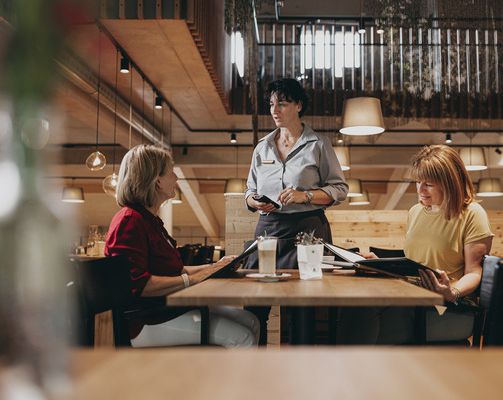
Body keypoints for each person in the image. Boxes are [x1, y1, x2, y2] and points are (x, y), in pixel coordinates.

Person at [105, 144, 259, 347]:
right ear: (158, 181)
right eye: (172, 172)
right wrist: (194, 279)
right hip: (146, 320)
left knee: (252, 322)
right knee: (243, 336)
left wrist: (216, 266)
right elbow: (140, 286)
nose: (176, 178)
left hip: (170, 310)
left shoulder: (151, 220)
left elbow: (177, 270)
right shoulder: (129, 221)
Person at [338, 144, 494, 344]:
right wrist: (382, 265)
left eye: (428, 183)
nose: (420, 189)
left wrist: (450, 292)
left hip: (448, 306)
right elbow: (414, 263)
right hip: (412, 298)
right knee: (356, 304)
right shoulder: (416, 212)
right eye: (418, 182)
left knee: (366, 322)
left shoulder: (472, 213)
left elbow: (474, 272)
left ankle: (354, 369)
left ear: (449, 182)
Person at [244, 78, 349, 345]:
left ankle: (301, 373)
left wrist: (306, 195)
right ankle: (252, 371)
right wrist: (255, 202)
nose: (275, 110)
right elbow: (249, 190)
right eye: (271, 104)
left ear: (299, 105)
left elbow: (339, 189)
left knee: (301, 309)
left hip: (308, 231)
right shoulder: (262, 147)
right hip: (268, 231)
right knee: (255, 306)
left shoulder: (319, 144)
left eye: (283, 103)